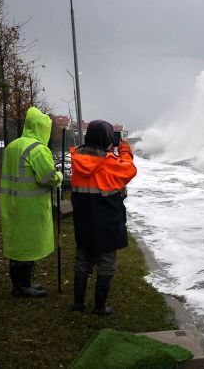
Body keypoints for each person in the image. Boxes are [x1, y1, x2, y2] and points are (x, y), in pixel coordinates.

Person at [70, 120, 137, 315]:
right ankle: (99, 307)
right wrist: (123, 149)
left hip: (83, 221)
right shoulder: (110, 163)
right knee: (106, 263)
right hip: (106, 223)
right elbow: (129, 169)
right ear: (107, 139)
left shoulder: (77, 158)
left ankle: (78, 304)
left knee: (82, 260)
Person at [0, 106, 63, 297]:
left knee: (17, 245)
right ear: (42, 128)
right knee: (27, 245)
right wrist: (59, 175)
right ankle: (22, 287)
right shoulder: (38, 150)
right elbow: (49, 178)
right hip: (30, 207)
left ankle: (21, 283)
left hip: (11, 203)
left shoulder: (13, 145)